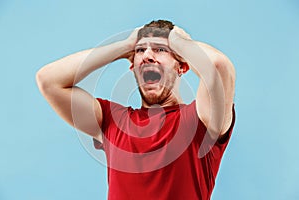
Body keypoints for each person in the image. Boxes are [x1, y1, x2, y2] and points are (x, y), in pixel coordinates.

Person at [36, 20, 236, 200]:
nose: (148, 55)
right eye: (140, 51)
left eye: (160, 50)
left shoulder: (200, 121)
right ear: (132, 66)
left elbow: (218, 66)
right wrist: (124, 46)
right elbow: (49, 81)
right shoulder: (111, 121)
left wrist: (178, 42)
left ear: (182, 66)